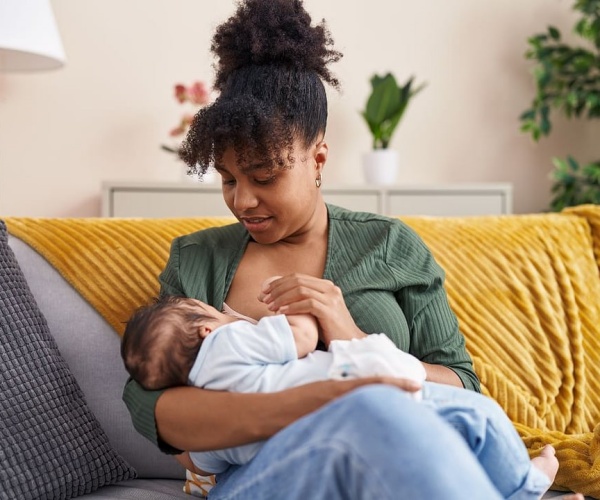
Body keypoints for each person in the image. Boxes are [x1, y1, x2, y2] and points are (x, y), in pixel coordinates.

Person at [122, 0, 583, 498]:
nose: (243, 200)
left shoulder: (388, 244)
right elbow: (155, 409)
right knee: (369, 411)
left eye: (263, 177)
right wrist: (330, 399)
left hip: (403, 465)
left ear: (318, 156)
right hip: (267, 478)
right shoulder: (197, 259)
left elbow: (464, 388)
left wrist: (347, 331)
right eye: (228, 179)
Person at [121, 292, 427, 475]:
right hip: (352, 381)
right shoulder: (227, 342)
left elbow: (200, 465)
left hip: (302, 460)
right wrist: (293, 308)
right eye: (216, 313)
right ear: (206, 330)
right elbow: (303, 338)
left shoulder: (202, 412)